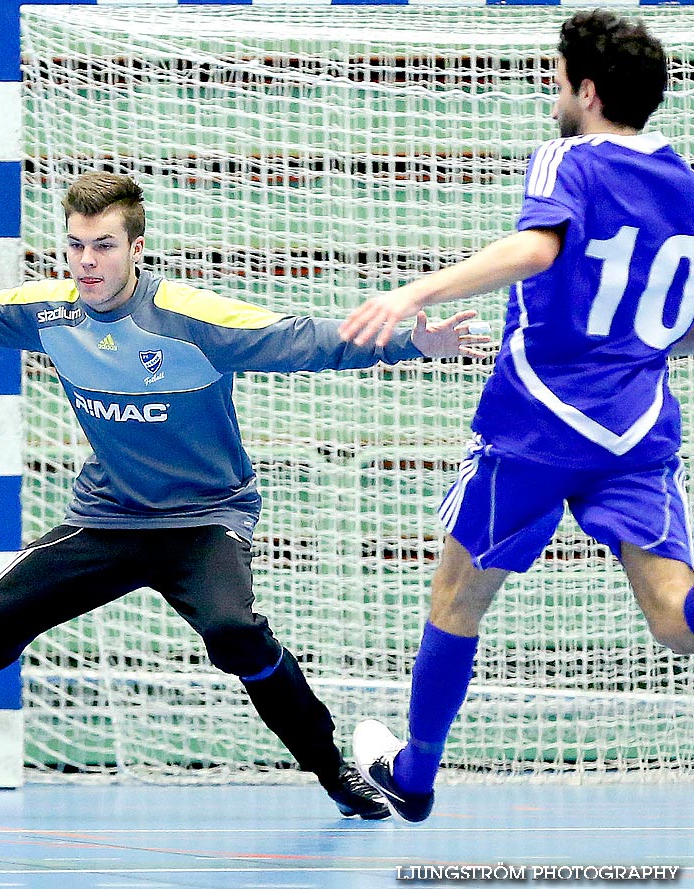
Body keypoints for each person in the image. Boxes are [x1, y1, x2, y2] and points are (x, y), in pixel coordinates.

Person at [0, 173, 485, 819]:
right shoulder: (52, 313)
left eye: (104, 246)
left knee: (236, 634)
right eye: (77, 246)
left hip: (205, 519)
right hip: (109, 517)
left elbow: (301, 340)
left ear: (135, 248)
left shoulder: (186, 317)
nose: (87, 261)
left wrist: (407, 344)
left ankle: (334, 771)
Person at [340, 10, 694, 823]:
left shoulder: (568, 157)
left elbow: (538, 249)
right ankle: (413, 768)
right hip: (636, 427)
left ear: (589, 91)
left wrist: (412, 290)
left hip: (537, 421)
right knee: (676, 616)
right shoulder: (685, 182)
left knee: (457, 596)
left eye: (559, 76)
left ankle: (417, 772)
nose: (552, 88)